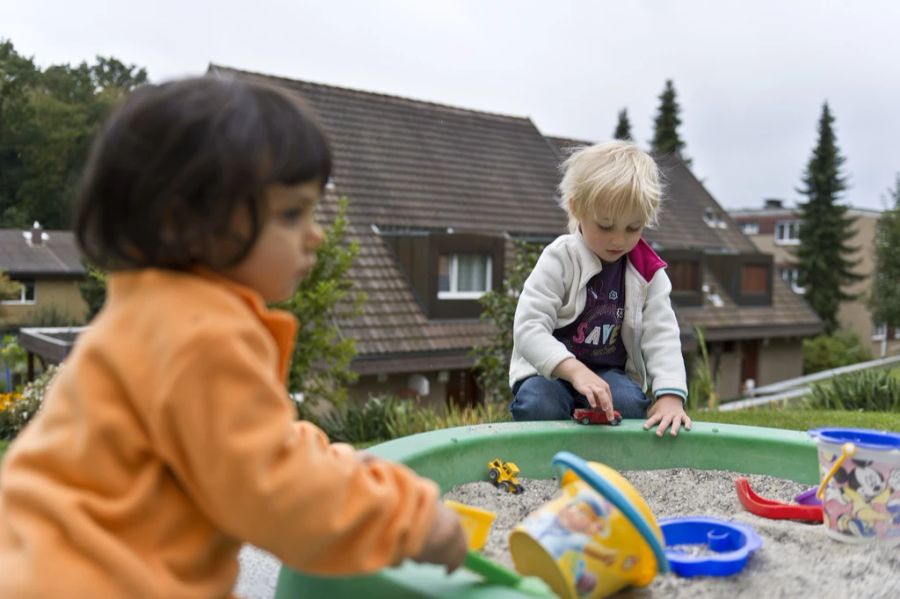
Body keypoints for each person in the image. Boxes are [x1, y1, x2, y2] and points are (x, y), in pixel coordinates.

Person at [0, 77, 466, 597]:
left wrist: (334, 463)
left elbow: (253, 442)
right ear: (187, 221)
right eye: (292, 213)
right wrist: (411, 520)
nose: (314, 233)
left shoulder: (152, 309)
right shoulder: (203, 336)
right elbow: (279, 496)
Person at [509, 141, 691, 436]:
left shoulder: (648, 271)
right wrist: (574, 370)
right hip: (549, 372)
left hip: (609, 373)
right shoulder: (560, 258)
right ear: (576, 207)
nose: (618, 240)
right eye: (606, 226)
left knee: (630, 406)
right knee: (538, 405)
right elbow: (528, 328)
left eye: (633, 228)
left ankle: (607, 467)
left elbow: (662, 335)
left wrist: (670, 396)